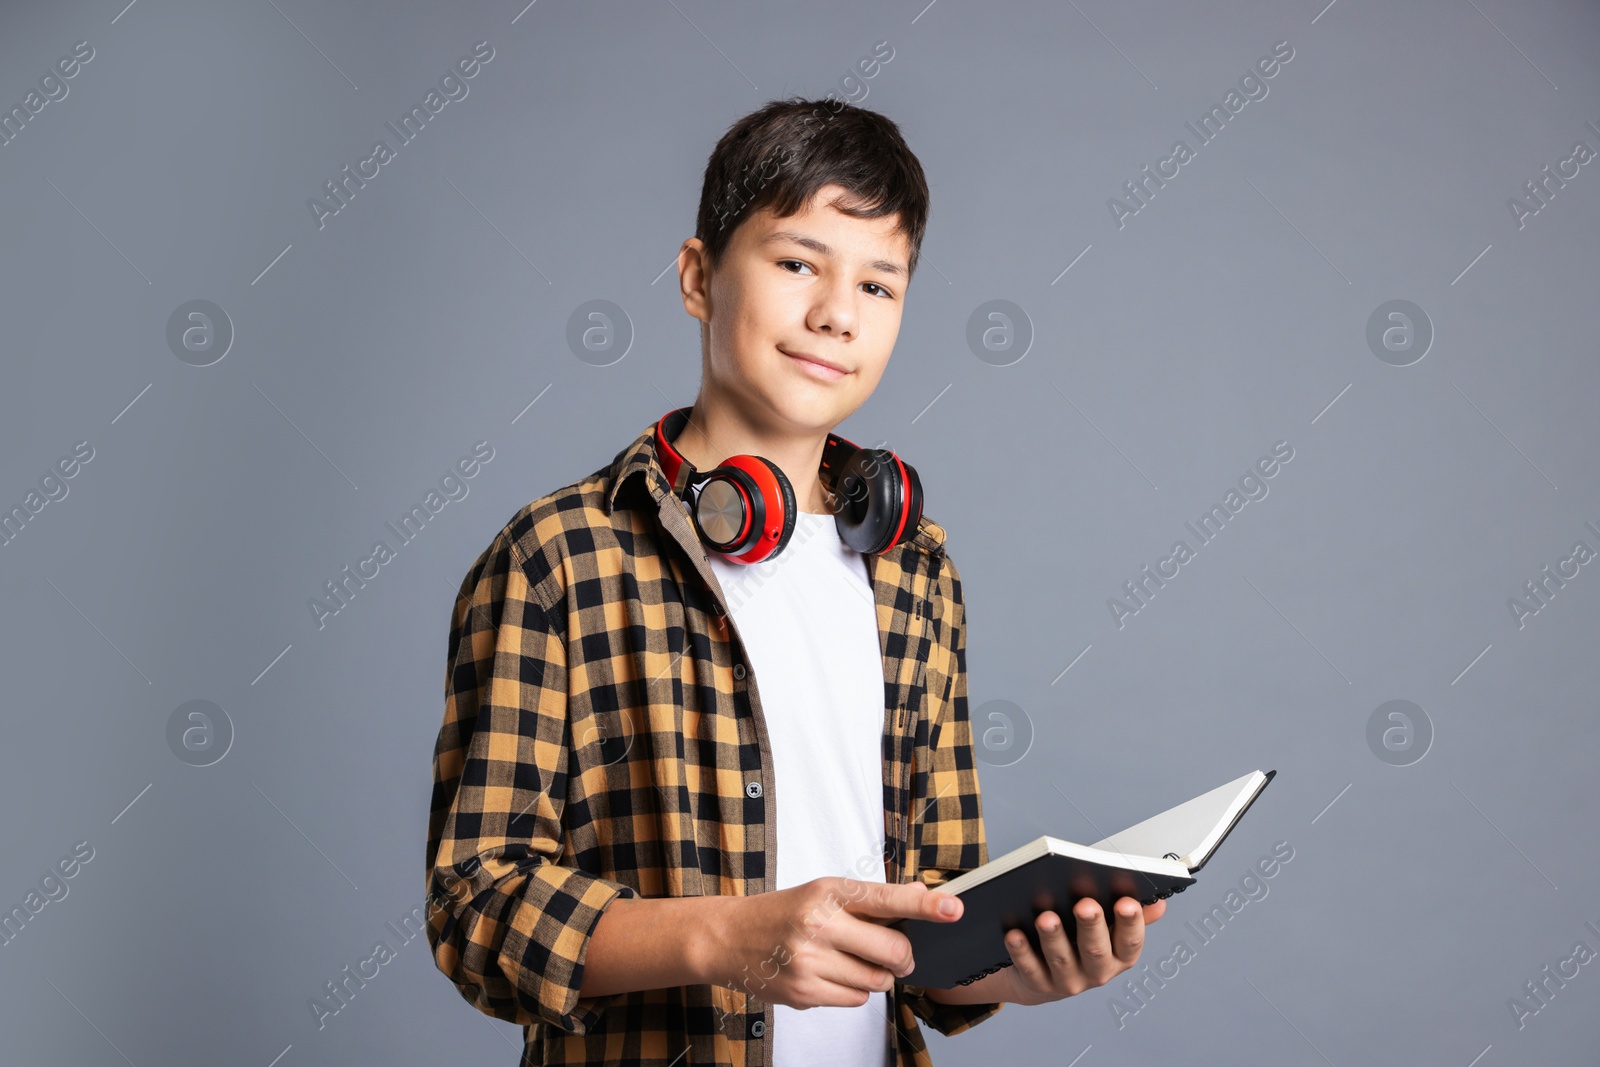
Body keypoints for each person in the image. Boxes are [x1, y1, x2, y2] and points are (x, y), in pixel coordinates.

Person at [425, 96, 1164, 1067]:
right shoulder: (558, 556)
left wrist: (1022, 964)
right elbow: (477, 905)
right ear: (697, 277)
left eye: (878, 284)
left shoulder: (917, 570)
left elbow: (926, 939)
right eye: (796, 263)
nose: (835, 314)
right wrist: (726, 936)